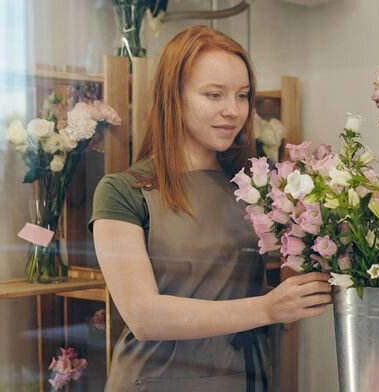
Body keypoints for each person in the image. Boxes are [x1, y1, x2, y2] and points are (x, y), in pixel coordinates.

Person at [90, 25, 332, 392]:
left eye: (242, 95)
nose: (233, 111)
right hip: (157, 381)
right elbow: (143, 316)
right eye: (214, 94)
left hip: (249, 378)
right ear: (174, 96)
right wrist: (268, 308)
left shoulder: (254, 188)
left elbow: (228, 288)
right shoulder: (123, 192)